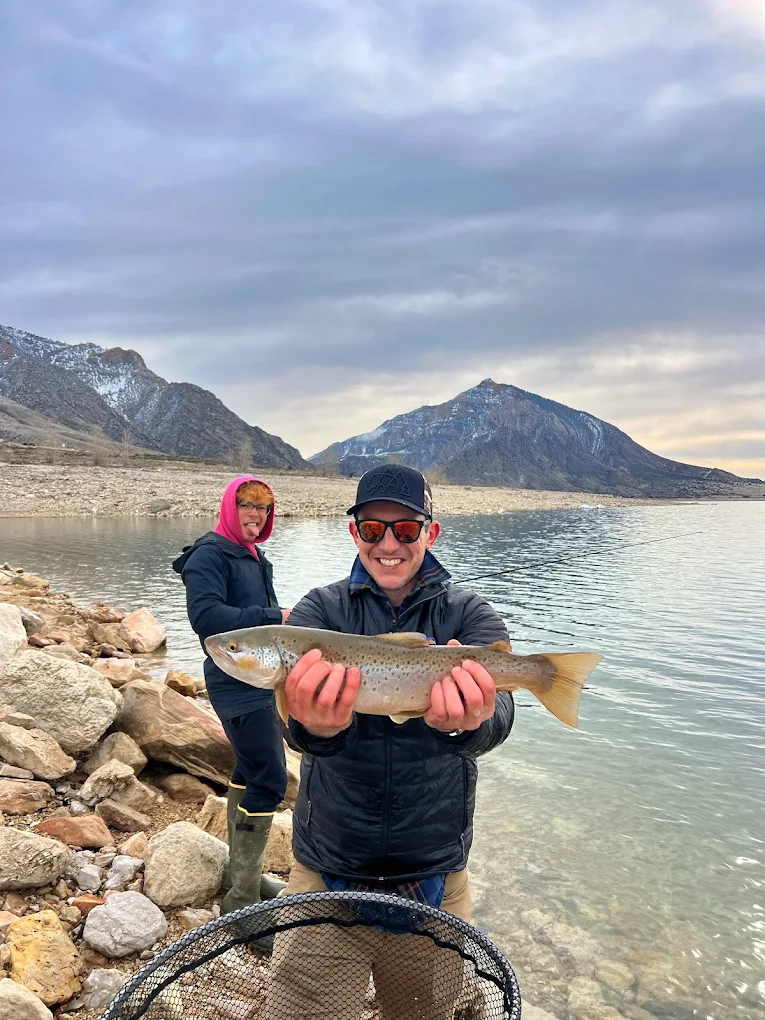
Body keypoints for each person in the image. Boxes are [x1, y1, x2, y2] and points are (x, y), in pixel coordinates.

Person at [267, 464, 515, 1018]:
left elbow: (500, 716)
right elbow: (293, 729)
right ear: (354, 532)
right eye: (372, 529)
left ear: (431, 532)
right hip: (326, 869)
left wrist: (467, 722)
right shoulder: (317, 615)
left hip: (434, 876)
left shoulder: (468, 613)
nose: (389, 544)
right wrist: (316, 728)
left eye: (405, 530)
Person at [172, 475, 290, 930]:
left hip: (263, 679)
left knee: (247, 770)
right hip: (233, 681)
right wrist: (272, 617)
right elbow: (207, 620)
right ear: (229, 506)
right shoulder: (209, 555)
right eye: (247, 505)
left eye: (264, 508)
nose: (256, 516)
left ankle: (245, 876)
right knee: (271, 780)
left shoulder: (258, 558)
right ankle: (240, 905)